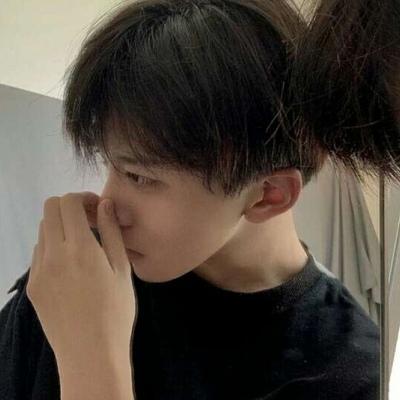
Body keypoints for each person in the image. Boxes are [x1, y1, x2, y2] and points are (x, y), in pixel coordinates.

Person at [1, 0, 399, 399]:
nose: (107, 205)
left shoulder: (348, 375)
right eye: (109, 164)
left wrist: (91, 362)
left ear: (268, 195)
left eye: (139, 176)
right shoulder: (78, 279)